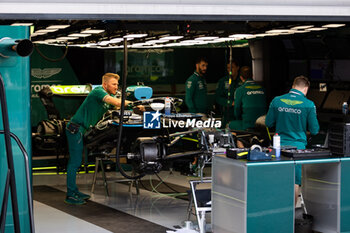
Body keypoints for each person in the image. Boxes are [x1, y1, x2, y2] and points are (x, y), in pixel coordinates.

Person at [65, 72, 143, 205]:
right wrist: (135, 104)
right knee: (75, 163)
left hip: (82, 130)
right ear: (105, 84)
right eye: (114, 84)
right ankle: (70, 195)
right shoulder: (98, 91)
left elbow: (117, 105)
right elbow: (115, 102)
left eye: (117, 84)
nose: (116, 86)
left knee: (77, 162)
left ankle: (75, 191)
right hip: (76, 129)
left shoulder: (109, 95)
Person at [265, 75, 320, 204]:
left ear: (293, 86)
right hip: (298, 150)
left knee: (278, 181)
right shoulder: (309, 104)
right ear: (306, 89)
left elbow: (268, 122)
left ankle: (278, 212)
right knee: (294, 183)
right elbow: (315, 130)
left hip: (279, 148)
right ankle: (292, 217)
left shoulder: (276, 101)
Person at [229, 66, 266, 130]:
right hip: (263, 124)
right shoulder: (262, 89)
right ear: (252, 75)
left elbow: (237, 110)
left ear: (241, 77)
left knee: (229, 124)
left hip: (248, 125)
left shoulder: (240, 90)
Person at [215, 61, 241, 126]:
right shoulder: (223, 81)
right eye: (228, 68)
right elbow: (218, 98)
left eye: (232, 67)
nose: (230, 70)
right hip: (227, 114)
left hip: (241, 114)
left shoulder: (242, 80)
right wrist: (230, 103)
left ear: (237, 68)